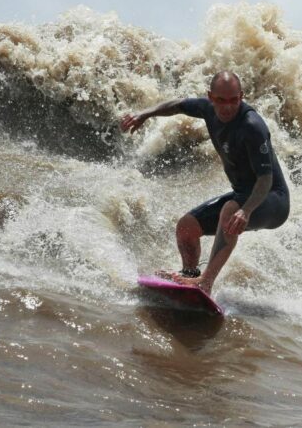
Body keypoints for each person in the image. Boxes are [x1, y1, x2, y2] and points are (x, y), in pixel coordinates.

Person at [120, 71, 290, 294]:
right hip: (243, 196)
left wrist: (246, 211)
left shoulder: (252, 126)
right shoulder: (207, 109)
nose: (227, 107)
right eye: (221, 100)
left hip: (272, 200)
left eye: (234, 100)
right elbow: (178, 105)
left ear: (242, 96)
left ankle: (205, 283)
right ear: (210, 97)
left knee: (231, 210)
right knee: (186, 227)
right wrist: (145, 114)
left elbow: (265, 179)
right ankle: (189, 277)